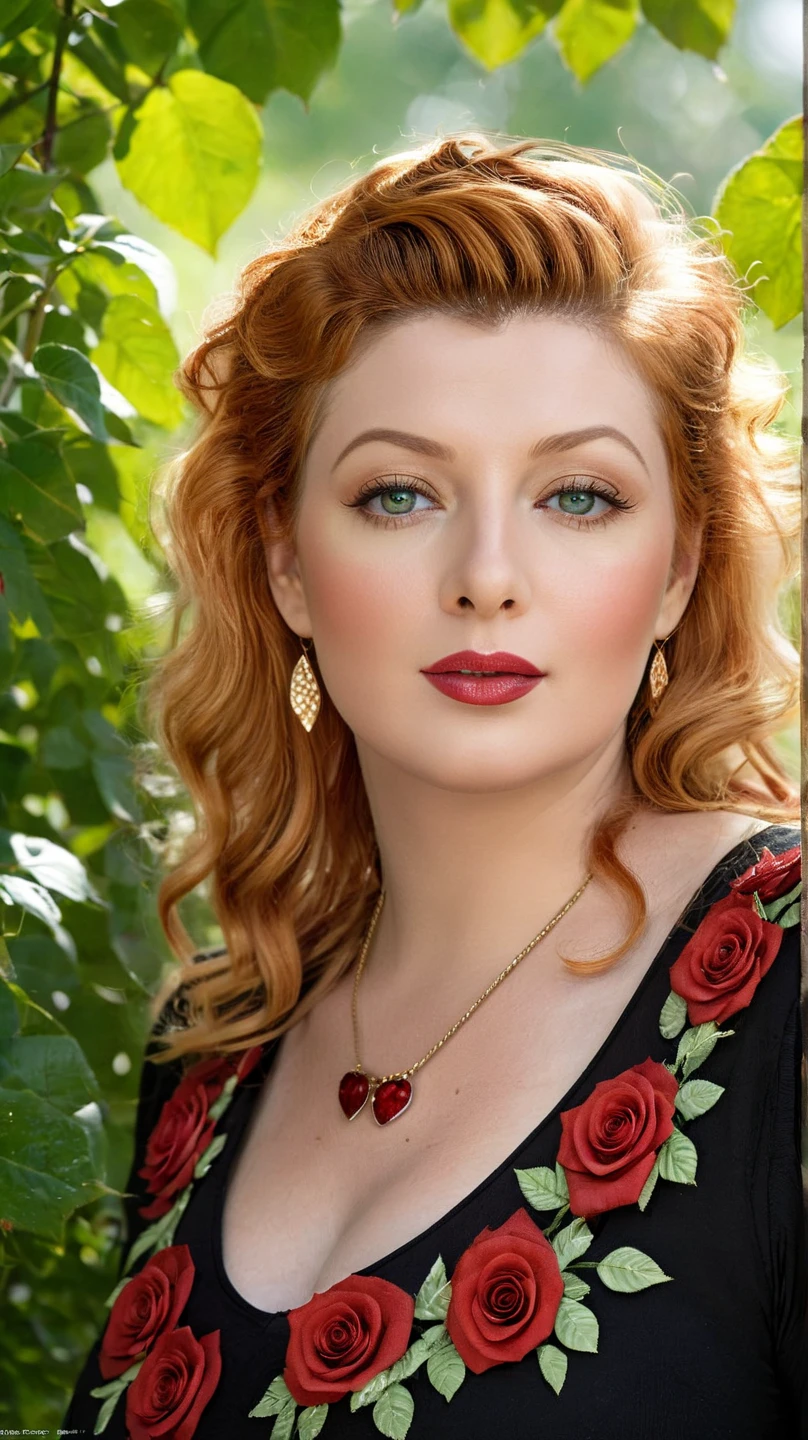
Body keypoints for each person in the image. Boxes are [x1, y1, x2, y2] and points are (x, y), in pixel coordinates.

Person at [63, 134, 805, 1439]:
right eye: (399, 493)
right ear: (287, 564)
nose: (487, 575)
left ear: (682, 567)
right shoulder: (216, 1041)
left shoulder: (793, 982)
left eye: (578, 495)